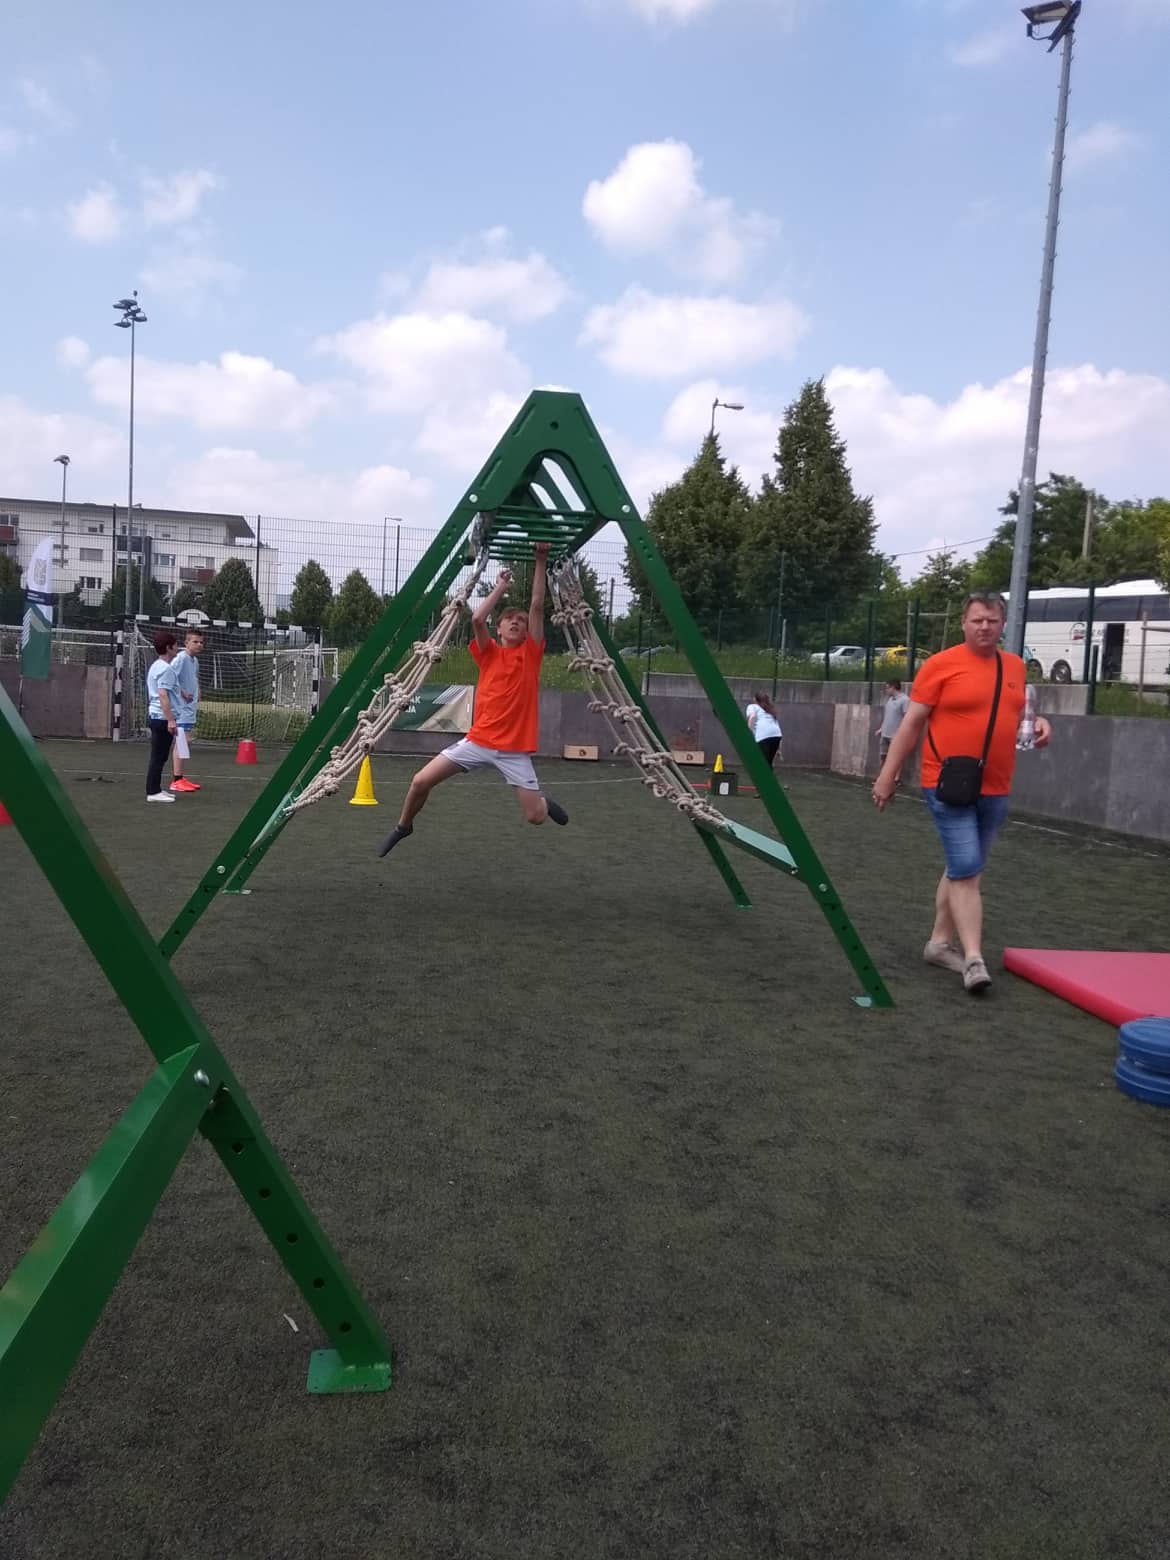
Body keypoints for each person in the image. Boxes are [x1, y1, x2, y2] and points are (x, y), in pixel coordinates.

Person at [871, 591, 1051, 995]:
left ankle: (938, 944)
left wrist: (1040, 723)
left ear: (1003, 624)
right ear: (964, 623)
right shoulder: (940, 665)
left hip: (995, 784)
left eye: (992, 620)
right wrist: (887, 775)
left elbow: (1014, 712)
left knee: (964, 867)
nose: (984, 627)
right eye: (977, 620)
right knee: (967, 867)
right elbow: (912, 724)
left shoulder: (1014, 666)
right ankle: (973, 959)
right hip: (947, 782)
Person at [378, 542, 569, 857]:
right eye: (510, 619)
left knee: (535, 817)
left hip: (513, 751)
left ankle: (543, 803)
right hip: (478, 742)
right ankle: (403, 827)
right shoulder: (489, 653)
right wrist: (501, 587)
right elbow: (478, 619)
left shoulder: (530, 654)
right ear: (500, 628)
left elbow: (536, 605)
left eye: (520, 621)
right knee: (420, 781)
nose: (516, 622)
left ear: (527, 634)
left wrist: (540, 559)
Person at [145, 631, 181, 804]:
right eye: (176, 645)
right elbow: (163, 695)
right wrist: (171, 720)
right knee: (158, 757)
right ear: (168, 647)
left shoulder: (158, 666)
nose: (178, 648)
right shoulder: (165, 669)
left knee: (160, 756)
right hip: (161, 717)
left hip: (159, 716)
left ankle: (156, 789)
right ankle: (152, 791)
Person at [170, 629, 204, 793]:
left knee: (186, 741)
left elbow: (194, 678)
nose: (199, 645)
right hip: (181, 708)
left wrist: (198, 690)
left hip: (190, 708)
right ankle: (176, 780)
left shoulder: (194, 661)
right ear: (186, 643)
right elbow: (170, 677)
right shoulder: (181, 658)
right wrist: (182, 692)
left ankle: (180, 778)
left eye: (201, 642)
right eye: (195, 642)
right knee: (182, 742)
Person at [875, 678, 909, 769]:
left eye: (887, 688)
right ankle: (882, 775)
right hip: (885, 734)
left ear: (893, 687)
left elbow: (906, 718)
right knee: (883, 757)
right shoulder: (890, 699)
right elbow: (888, 715)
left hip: (895, 735)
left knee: (896, 758)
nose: (886, 690)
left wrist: (901, 733)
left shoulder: (905, 700)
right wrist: (881, 728)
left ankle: (896, 777)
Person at [745, 690, 783, 768]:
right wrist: (779, 749)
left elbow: (752, 717)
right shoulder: (770, 709)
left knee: (762, 763)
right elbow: (776, 727)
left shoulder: (752, 706)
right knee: (768, 762)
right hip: (777, 736)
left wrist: (749, 732)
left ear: (755, 699)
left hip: (764, 736)